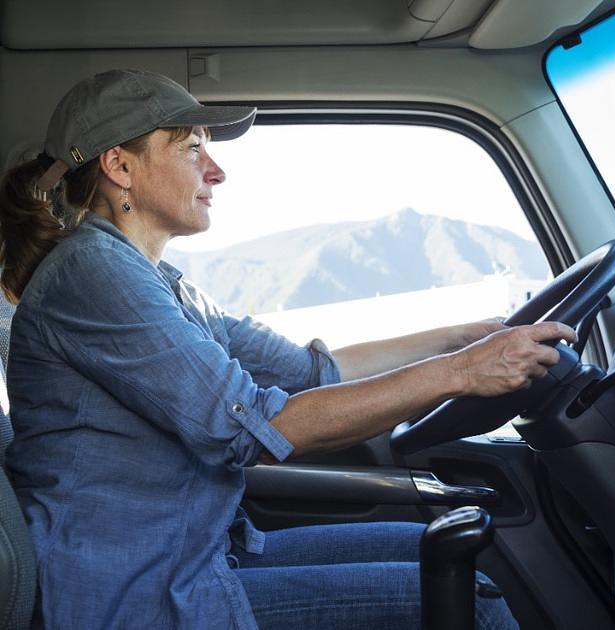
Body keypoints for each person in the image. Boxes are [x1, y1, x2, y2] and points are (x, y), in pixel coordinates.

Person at [0, 70, 575, 629]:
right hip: (131, 590)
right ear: (119, 166)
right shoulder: (92, 273)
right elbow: (251, 431)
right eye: (192, 148)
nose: (216, 170)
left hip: (193, 554)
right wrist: (462, 373)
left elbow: (311, 371)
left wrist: (463, 338)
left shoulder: (162, 283)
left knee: (434, 543)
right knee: (468, 596)